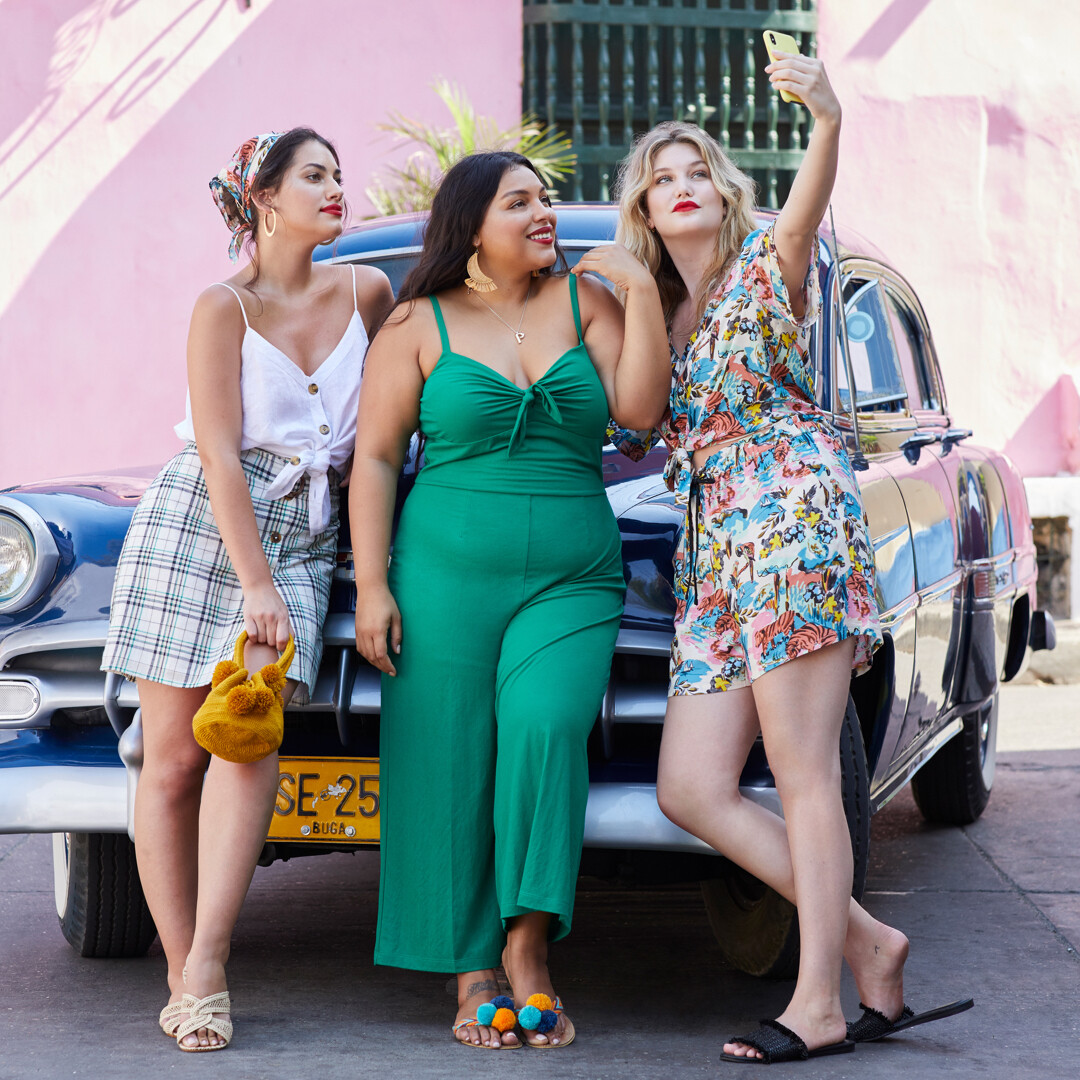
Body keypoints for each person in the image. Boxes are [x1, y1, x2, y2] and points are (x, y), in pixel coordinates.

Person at [612, 55, 968, 1065]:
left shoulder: (769, 264)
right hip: (714, 556)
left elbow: (808, 207)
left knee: (806, 774)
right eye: (662, 177)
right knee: (690, 784)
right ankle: (868, 941)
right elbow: (634, 420)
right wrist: (625, 292)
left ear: (723, 190)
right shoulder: (659, 313)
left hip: (790, 524)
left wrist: (826, 117)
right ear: (644, 206)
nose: (683, 185)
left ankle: (818, 1003)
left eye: (698, 170)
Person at [350, 151, 668, 1049]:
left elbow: (641, 412)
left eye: (545, 197)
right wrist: (372, 585)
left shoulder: (587, 301)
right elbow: (376, 457)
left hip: (572, 573)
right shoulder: (416, 322)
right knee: (446, 756)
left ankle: (527, 945)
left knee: (543, 727)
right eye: (519, 201)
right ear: (470, 224)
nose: (544, 212)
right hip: (441, 573)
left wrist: (642, 292)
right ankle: (472, 971)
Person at [101, 128, 392, 1052]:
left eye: (338, 175)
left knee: (247, 734)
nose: (337, 189)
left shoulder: (369, 292)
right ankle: (183, 973)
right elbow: (220, 453)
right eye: (315, 175)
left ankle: (209, 962)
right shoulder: (221, 306)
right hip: (201, 523)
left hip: (304, 535)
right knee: (171, 761)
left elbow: (387, 437)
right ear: (264, 198)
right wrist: (253, 580)